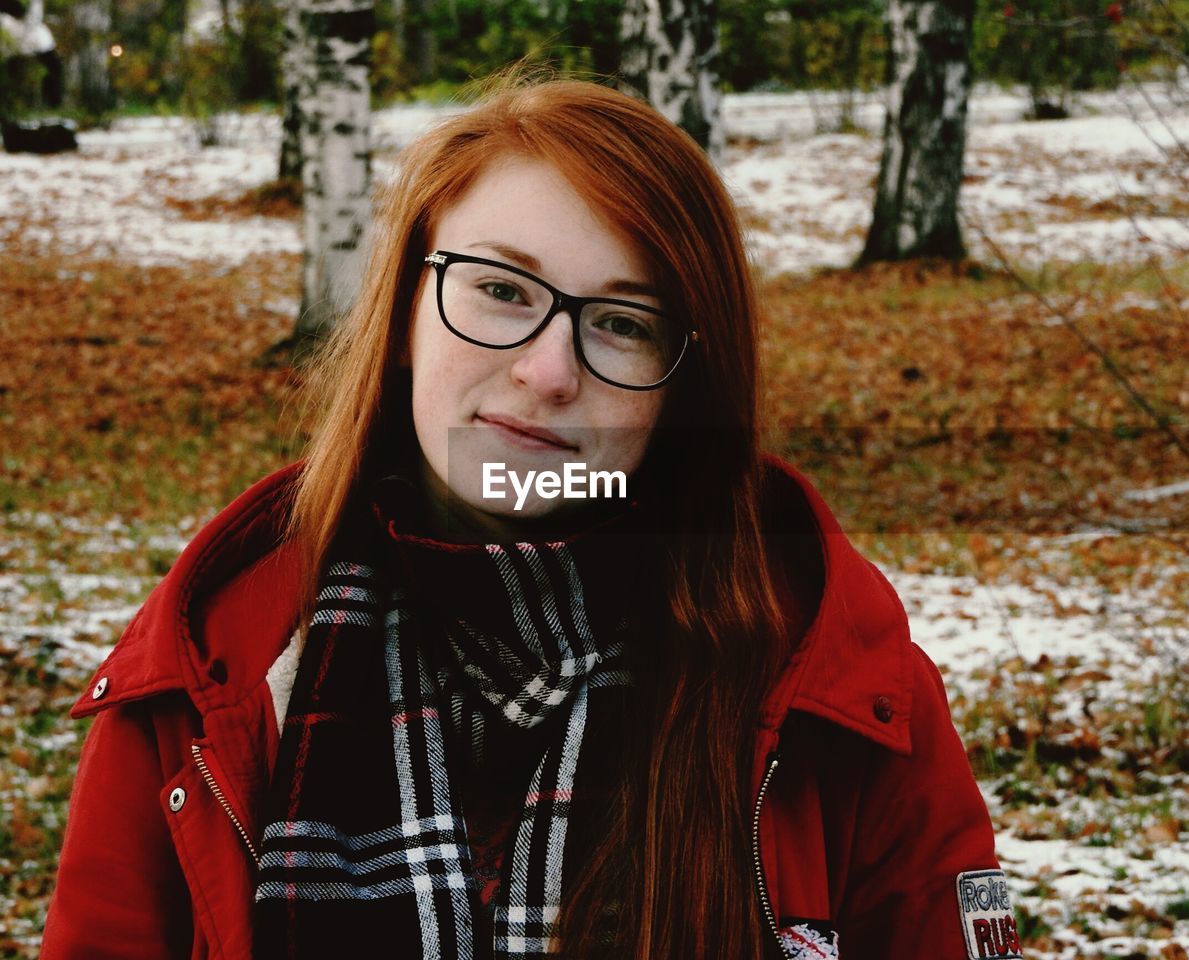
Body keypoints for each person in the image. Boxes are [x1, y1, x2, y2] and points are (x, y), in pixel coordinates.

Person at [42, 74, 1020, 960]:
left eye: (622, 323)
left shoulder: (829, 680)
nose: (548, 372)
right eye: (501, 291)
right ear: (403, 314)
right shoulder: (211, 671)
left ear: (684, 387)